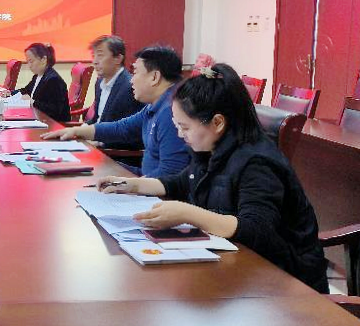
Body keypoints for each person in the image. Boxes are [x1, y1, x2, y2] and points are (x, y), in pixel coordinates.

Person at [95, 63, 328, 293]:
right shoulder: (212, 147)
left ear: (217, 122)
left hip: (286, 283)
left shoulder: (258, 163)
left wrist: (187, 214)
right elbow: (183, 182)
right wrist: (133, 184)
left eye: (185, 127)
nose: (180, 134)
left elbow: (257, 229)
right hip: (240, 271)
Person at [42, 45, 189, 177]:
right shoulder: (155, 105)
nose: (131, 80)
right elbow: (122, 128)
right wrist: (76, 131)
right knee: (91, 165)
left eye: (136, 72)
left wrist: (127, 184)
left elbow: (170, 175)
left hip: (154, 190)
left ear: (154, 77)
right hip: (144, 179)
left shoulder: (171, 112)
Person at [86, 35, 144, 149]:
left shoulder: (130, 87)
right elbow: (97, 119)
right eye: (94, 56)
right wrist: (80, 130)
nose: (95, 61)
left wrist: (101, 143)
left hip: (114, 152)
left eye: (100, 55)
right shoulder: (99, 83)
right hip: (96, 143)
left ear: (118, 58)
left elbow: (132, 134)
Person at [7, 43, 70, 122]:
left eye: (31, 61)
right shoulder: (38, 76)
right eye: (27, 62)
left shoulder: (53, 80)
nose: (29, 66)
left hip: (53, 124)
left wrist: (32, 102)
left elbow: (54, 110)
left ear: (43, 60)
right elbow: (26, 90)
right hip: (39, 119)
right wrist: (10, 93)